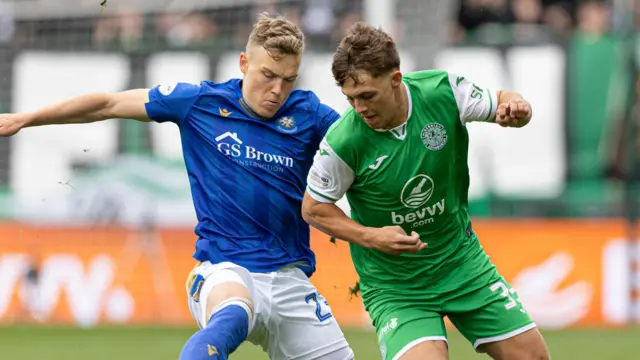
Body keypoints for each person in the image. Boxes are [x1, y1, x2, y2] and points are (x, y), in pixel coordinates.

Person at [0, 14, 354, 360]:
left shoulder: (309, 114)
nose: (277, 90)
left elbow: (361, 150)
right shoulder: (200, 103)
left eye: (288, 79)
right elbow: (107, 104)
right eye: (268, 75)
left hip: (290, 278)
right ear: (244, 63)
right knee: (233, 314)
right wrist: (25, 119)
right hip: (225, 269)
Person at [301, 22, 551, 360]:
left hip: (462, 264)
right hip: (397, 286)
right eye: (350, 99)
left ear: (395, 79)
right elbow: (313, 208)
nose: (358, 108)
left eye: (366, 96)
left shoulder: (443, 91)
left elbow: (505, 102)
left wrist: (518, 108)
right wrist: (372, 237)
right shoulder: (344, 141)